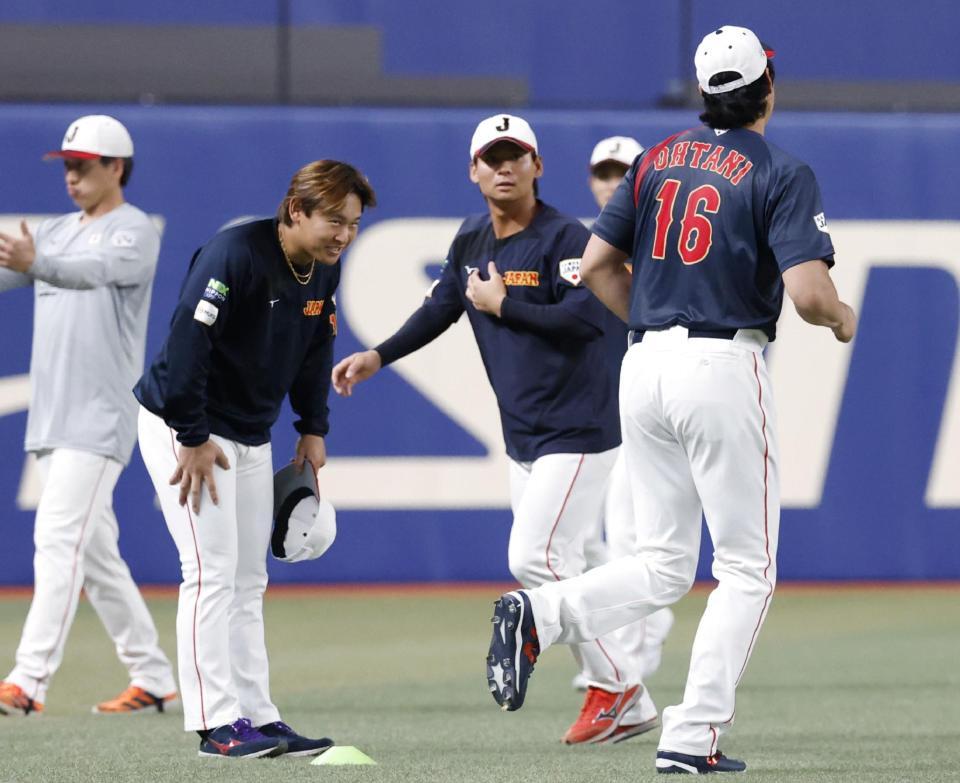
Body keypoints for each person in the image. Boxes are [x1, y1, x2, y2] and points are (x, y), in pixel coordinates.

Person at [485, 26, 857, 775]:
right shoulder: (781, 170)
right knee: (746, 568)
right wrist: (844, 317)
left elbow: (596, 264)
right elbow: (810, 295)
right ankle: (692, 733)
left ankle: (543, 612)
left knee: (661, 562)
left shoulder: (656, 159)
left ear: (704, 95)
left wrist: (655, 329)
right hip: (723, 362)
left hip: (645, 362)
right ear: (768, 89)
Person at [333, 114, 658, 745]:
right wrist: (379, 355)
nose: (504, 167)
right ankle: (622, 692)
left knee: (534, 557)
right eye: (492, 157)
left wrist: (504, 304)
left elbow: (590, 320)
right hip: (524, 434)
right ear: (473, 170)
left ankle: (620, 687)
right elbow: (441, 307)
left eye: (516, 155)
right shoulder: (472, 237)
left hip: (580, 426)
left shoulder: (566, 237)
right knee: (562, 564)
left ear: (538, 166)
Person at [133, 159, 376, 758]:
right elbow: (187, 344)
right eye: (335, 221)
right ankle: (215, 725)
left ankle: (258, 717)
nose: (345, 235)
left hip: (249, 431)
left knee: (248, 580)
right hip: (187, 427)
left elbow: (318, 347)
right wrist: (192, 436)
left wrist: (313, 428)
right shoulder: (234, 255)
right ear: (296, 210)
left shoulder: (323, 269)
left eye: (353, 224)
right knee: (210, 572)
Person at [0, 115, 178, 717]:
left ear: (116, 168)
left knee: (57, 540)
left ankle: (28, 682)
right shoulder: (55, 230)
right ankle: (153, 676)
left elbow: (90, 272)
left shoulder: (134, 231)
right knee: (97, 556)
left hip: (99, 417)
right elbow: (14, 269)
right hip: (52, 419)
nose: (71, 176)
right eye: (67, 166)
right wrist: (29, 261)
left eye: (82, 165)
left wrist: (36, 262)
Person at [571, 136, 675, 693]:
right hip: (594, 413)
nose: (612, 183)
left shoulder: (665, 238)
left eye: (623, 173)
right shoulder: (581, 245)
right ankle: (636, 635)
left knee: (632, 535)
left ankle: (630, 659)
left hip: (646, 406)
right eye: (603, 173)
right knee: (587, 539)